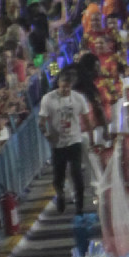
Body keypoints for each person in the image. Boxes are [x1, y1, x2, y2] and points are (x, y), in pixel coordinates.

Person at [37, 67, 93, 214]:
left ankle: (79, 205)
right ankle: (60, 195)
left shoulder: (78, 98)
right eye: (62, 87)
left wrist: (91, 139)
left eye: (68, 88)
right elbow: (41, 122)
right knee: (58, 176)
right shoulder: (48, 99)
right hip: (58, 144)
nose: (65, 90)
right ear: (58, 84)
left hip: (74, 140)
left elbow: (87, 120)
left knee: (77, 173)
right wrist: (47, 135)